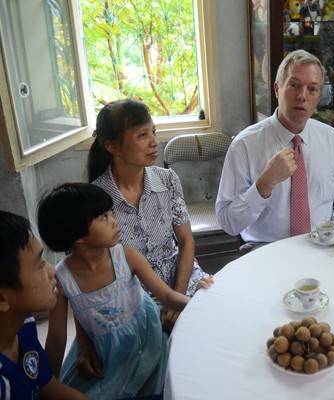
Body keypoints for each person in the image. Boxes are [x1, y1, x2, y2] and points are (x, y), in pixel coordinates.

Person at [36, 183, 191, 399]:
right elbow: (56, 340)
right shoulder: (62, 279)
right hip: (104, 352)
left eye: (111, 213)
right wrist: (47, 387)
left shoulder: (126, 257)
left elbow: (166, 296)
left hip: (145, 338)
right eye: (104, 217)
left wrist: (199, 303)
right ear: (78, 235)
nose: (114, 221)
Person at [86, 98, 212, 330]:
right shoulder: (96, 199)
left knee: (213, 315)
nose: (155, 142)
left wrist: (177, 297)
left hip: (181, 279)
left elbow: (186, 241)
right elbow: (93, 270)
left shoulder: (167, 180)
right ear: (113, 146)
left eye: (154, 132)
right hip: (133, 296)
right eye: (142, 135)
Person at [216, 49, 334, 246]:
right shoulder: (244, 145)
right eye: (294, 85)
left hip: (322, 247)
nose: (302, 96)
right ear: (277, 89)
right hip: (266, 251)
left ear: (318, 97)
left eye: (312, 89)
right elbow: (228, 222)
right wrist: (265, 183)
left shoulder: (333, 140)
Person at [0, 210, 89, 400]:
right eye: (39, 265)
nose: (51, 270)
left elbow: (47, 386)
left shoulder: (24, 323)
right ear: (2, 299)